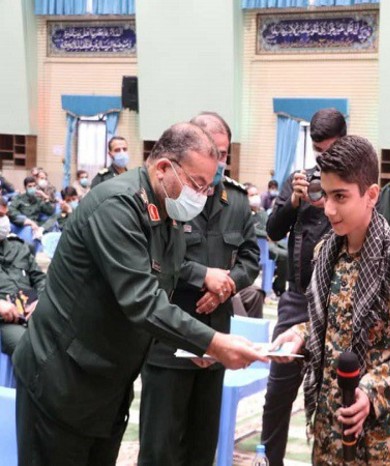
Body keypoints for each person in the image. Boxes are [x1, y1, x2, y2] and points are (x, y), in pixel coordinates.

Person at [12, 122, 267, 466]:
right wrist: (214, 343)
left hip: (107, 383)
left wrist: (195, 345)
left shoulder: (168, 215)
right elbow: (142, 301)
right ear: (163, 168)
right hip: (62, 380)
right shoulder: (117, 206)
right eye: (197, 184)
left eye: (209, 186)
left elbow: (164, 291)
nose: (204, 195)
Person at [271, 135, 390, 464]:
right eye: (325, 195)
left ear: (371, 195)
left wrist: (371, 391)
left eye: (341, 196)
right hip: (328, 429)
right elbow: (333, 322)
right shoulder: (325, 253)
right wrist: (302, 333)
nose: (329, 209)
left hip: (380, 440)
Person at [138, 112, 260, 466]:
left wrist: (226, 285)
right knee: (161, 449)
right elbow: (154, 257)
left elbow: (251, 258)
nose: (219, 161)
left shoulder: (236, 199)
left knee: (202, 447)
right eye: (212, 152)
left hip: (215, 335)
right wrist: (202, 275)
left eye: (223, 153)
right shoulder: (172, 193)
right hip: (168, 340)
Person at [261, 107, 346, 466]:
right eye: (318, 151)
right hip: (297, 298)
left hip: (340, 299)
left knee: (337, 394)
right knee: (278, 391)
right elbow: (272, 230)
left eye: (331, 150)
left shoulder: (353, 184)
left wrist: (332, 199)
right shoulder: (300, 180)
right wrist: (294, 202)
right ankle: (270, 460)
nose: (324, 158)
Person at [0, 197, 46, 357]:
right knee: (33, 352)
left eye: (3, 215)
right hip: (8, 320)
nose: (2, 221)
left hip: (35, 311)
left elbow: (40, 278)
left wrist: (41, 299)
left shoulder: (19, 247)